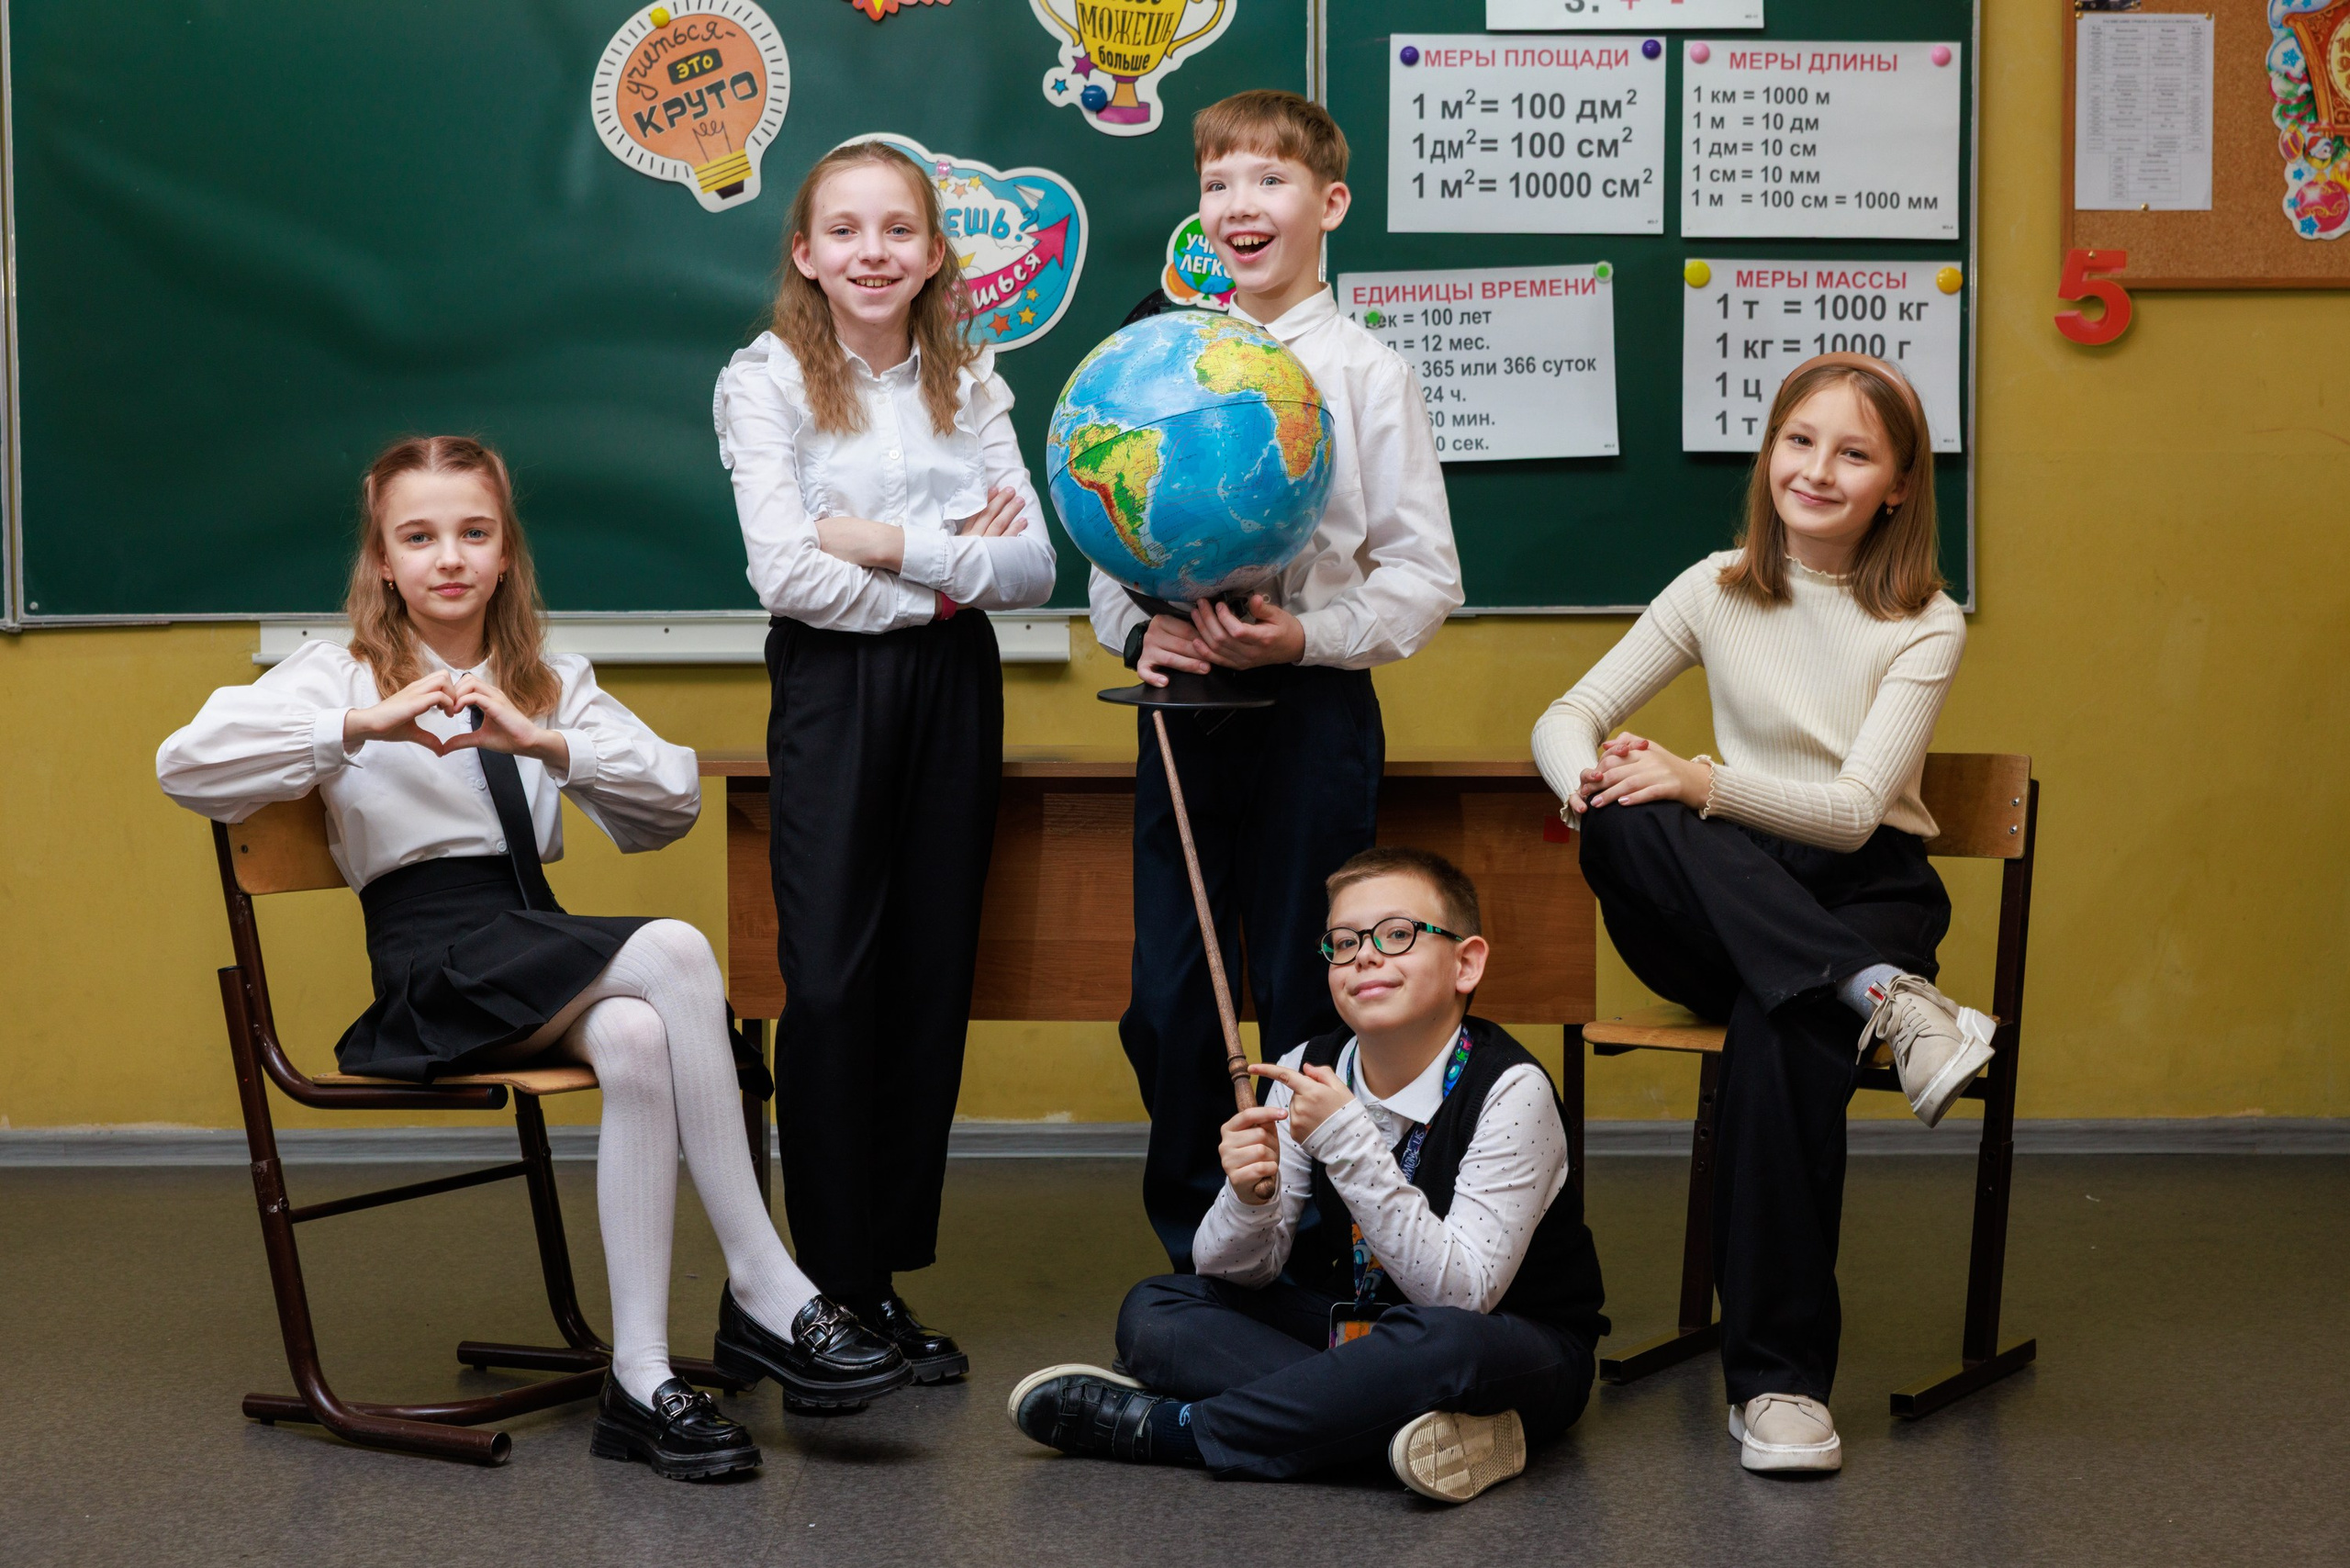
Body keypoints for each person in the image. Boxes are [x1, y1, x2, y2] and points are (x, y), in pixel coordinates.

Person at [157, 436, 910, 1481]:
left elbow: (672, 800)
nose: (448, 557)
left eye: (473, 532)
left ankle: (641, 1379)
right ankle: (765, 1279)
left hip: (531, 938)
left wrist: (547, 741)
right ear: (381, 560)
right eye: (417, 537)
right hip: (433, 963)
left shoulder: (546, 679)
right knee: (679, 949)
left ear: (506, 553)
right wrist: (353, 727)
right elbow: (184, 767)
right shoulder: (336, 672)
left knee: (642, 1033)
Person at [1536, 353, 1992, 1475]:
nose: (1817, 469)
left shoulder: (1925, 620)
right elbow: (1569, 712)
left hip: (1860, 886)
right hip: (1725, 894)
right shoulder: (1714, 585)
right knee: (1621, 810)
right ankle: (1889, 1004)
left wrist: (1698, 781)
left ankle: (1779, 1388)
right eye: (1799, 441)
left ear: (1897, 483)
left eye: (1853, 452)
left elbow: (1848, 813)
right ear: (1769, 452)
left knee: (1779, 1031)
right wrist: (1584, 778)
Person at [1090, 90, 1463, 1270]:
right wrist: (1134, 635)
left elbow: (1422, 577)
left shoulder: (1365, 372)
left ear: (1328, 203)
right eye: (1217, 184)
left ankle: (1313, 1250)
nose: (1238, 207)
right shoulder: (1163, 358)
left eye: (1269, 181)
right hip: (1185, 712)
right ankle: (1206, 1247)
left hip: (1311, 710)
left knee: (1315, 994)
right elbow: (1109, 522)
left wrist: (1301, 640)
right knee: (1171, 1002)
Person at [712, 140, 1057, 1380]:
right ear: (806, 254)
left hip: (958, 698)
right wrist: (944, 564)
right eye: (845, 232)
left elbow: (1035, 571)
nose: (873, 252)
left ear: (932, 254)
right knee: (838, 985)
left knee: (924, 981)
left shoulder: (977, 382)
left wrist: (878, 540)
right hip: (833, 693)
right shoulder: (764, 383)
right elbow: (788, 573)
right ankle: (808, 1290)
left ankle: (880, 1283)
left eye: (898, 231)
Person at [1007, 848, 1606, 1503]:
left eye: (1397, 934)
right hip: (1363, 1332)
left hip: (1503, 1344)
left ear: (1467, 963)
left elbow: (1461, 1296)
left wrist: (1346, 1141)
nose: (1366, 957)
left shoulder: (1511, 1089)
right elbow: (1239, 1273)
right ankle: (1390, 1425)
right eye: (1343, 944)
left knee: (1442, 1346)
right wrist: (1247, 1200)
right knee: (1158, 1308)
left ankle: (1178, 1430)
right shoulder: (1308, 1066)